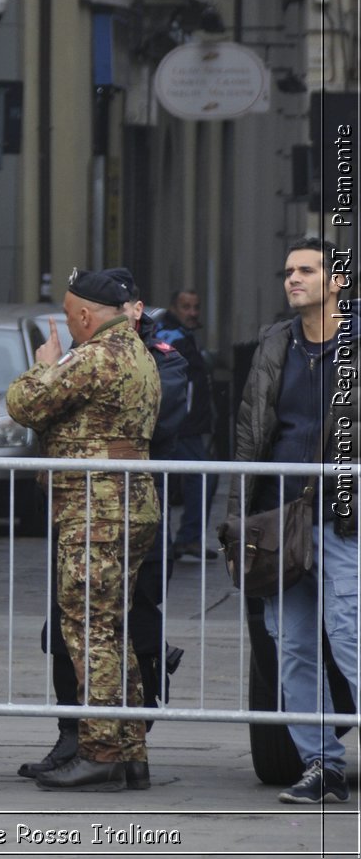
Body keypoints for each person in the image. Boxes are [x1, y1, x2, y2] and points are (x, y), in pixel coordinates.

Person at [18, 268, 186, 786]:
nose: (69, 328)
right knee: (111, 628)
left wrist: (41, 368)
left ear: (87, 316)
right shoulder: (136, 350)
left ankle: (99, 750)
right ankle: (130, 749)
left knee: (88, 629)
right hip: (125, 503)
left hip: (96, 508)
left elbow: (24, 405)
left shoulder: (94, 356)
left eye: (70, 319)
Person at [233, 238, 357, 804]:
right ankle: (321, 764)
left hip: (345, 516)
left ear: (338, 281)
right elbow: (251, 429)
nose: (293, 279)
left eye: (307, 270)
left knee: (349, 634)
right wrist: (240, 512)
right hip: (280, 519)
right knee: (293, 645)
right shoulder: (275, 342)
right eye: (288, 271)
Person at [155, 288, 218, 560]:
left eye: (196, 307)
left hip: (184, 425)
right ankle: (177, 540)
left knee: (178, 482)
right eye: (186, 307)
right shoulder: (172, 336)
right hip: (181, 426)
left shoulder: (180, 334)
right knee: (199, 478)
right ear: (173, 307)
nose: (192, 312)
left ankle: (176, 541)